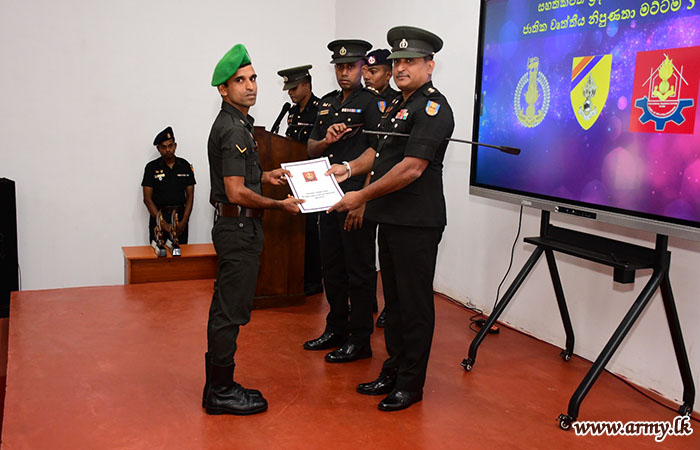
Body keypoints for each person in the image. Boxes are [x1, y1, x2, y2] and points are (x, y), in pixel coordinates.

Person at [327, 26, 454, 412]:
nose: (400, 68)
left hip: (417, 222)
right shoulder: (398, 104)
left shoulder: (433, 108)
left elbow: (411, 168)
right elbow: (381, 156)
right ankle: (393, 369)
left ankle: (411, 384)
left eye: (409, 61)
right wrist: (349, 170)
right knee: (394, 304)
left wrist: (361, 196)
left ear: (429, 65)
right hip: (392, 218)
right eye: (397, 61)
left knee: (414, 306)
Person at [203, 43, 303, 416]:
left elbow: (240, 179)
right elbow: (235, 191)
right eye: (240, 81)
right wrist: (278, 205)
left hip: (236, 225)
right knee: (230, 312)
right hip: (239, 227)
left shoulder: (238, 124)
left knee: (227, 308)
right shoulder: (234, 129)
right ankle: (221, 390)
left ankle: (217, 385)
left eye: (253, 78)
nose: (250, 86)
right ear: (223, 89)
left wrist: (266, 176)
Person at [303, 39, 382, 363]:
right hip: (326, 196)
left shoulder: (372, 103)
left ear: (362, 67)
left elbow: (379, 153)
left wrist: (363, 200)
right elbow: (311, 148)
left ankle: (360, 339)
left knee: (359, 271)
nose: (344, 72)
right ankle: (336, 328)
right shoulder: (327, 103)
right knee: (332, 267)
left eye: (350, 66)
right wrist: (326, 140)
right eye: (339, 67)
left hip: (354, 195)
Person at [277, 65, 323, 296]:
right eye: (288, 89)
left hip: (313, 177)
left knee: (311, 231)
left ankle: (313, 280)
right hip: (294, 177)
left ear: (306, 85)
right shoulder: (292, 112)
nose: (290, 93)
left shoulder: (320, 109)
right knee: (295, 229)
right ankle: (297, 275)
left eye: (294, 88)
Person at [362, 48, 400, 328]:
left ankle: (391, 306)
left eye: (373, 71)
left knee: (393, 259)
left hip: (390, 192)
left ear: (388, 74)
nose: (367, 76)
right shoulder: (368, 101)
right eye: (366, 70)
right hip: (369, 186)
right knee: (372, 253)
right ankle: (371, 300)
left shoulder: (396, 103)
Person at [142, 127, 195, 244]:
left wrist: (184, 222)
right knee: (158, 254)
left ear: (175, 146)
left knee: (181, 254)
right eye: (163, 147)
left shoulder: (185, 166)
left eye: (170, 146)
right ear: (158, 149)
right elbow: (147, 199)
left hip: (179, 220)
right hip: (158, 220)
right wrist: (164, 224)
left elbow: (190, 197)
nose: (168, 150)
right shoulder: (151, 167)